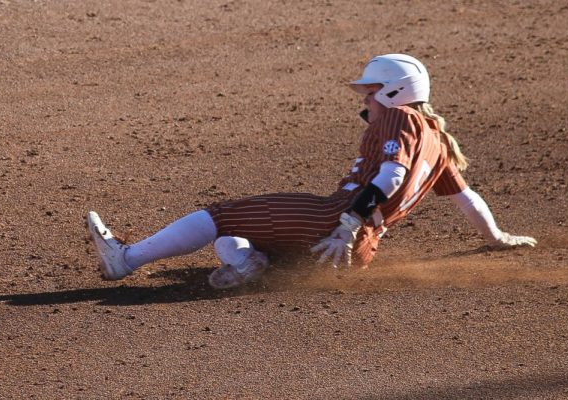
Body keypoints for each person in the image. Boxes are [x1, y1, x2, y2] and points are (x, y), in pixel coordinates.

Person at [87, 54, 536, 289]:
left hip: (331, 224)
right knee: (234, 242)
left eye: (370, 92)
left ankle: (124, 260)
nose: (364, 99)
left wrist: (346, 221)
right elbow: (467, 199)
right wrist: (497, 239)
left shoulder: (403, 119)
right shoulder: (438, 144)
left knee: (220, 216)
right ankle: (252, 268)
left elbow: (390, 178)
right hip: (354, 256)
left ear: (396, 92)